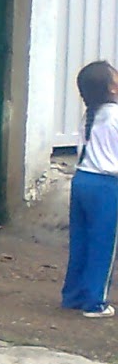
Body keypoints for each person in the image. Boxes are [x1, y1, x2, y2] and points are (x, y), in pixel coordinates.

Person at [62, 60, 118, 318]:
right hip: (106, 185)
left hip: (82, 180)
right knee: (103, 244)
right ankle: (95, 302)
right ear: (111, 88)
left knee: (81, 241)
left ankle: (73, 295)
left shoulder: (91, 115)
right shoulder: (115, 116)